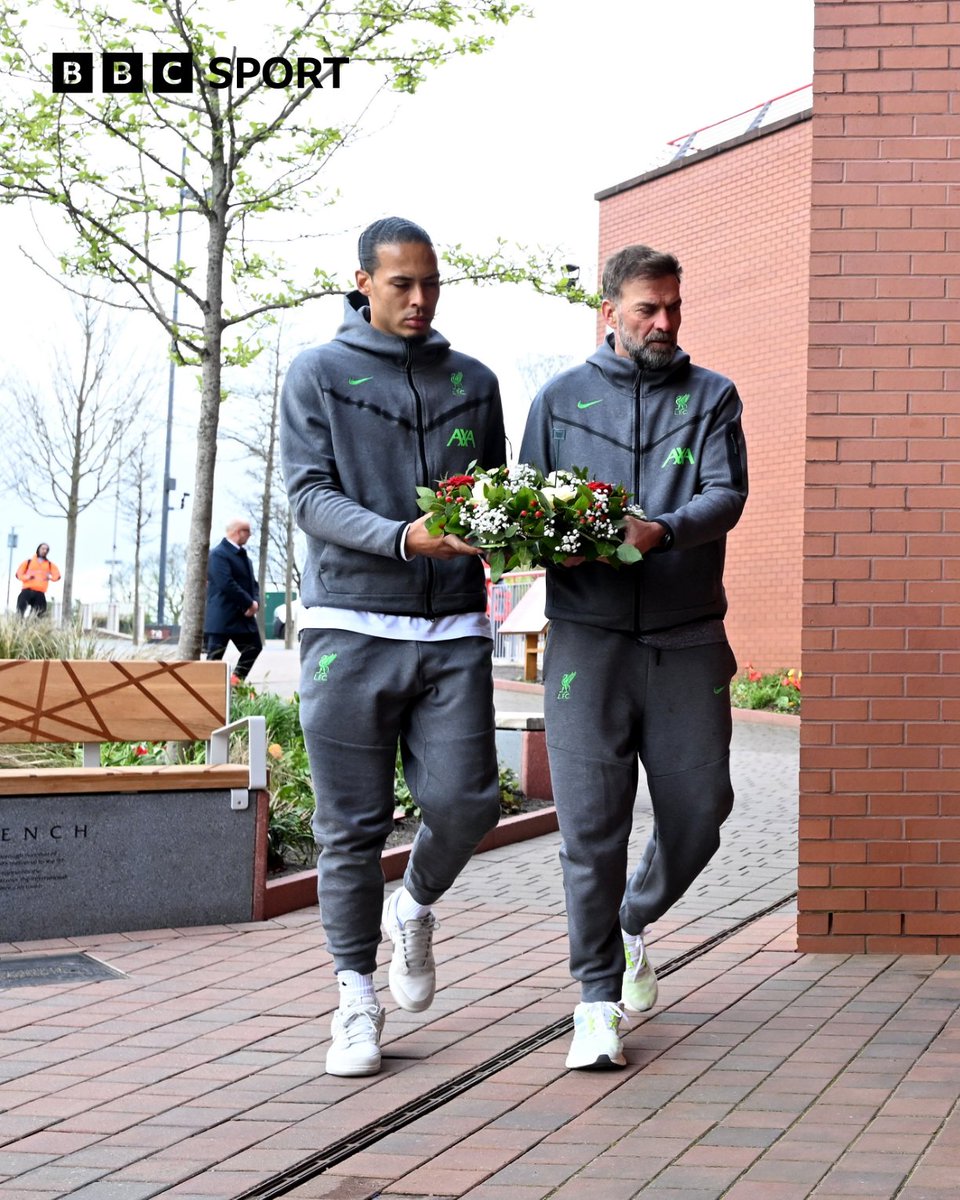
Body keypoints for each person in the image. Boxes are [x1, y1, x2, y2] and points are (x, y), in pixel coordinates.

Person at [280, 216, 506, 1078]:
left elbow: (488, 493)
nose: (419, 300)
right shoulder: (317, 374)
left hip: (451, 626)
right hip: (349, 625)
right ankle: (354, 1000)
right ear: (362, 282)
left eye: (431, 285)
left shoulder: (474, 382)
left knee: (468, 804)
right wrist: (402, 538)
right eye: (402, 284)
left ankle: (413, 906)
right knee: (351, 829)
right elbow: (306, 495)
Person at [519, 243, 748, 1070]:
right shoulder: (559, 399)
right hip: (588, 638)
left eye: (674, 307)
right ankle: (594, 1002)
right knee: (591, 827)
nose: (664, 322)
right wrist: (555, 544)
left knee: (701, 813)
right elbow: (525, 502)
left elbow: (726, 493)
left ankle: (630, 918)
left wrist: (663, 528)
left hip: (688, 638)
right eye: (648, 308)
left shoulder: (712, 395)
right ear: (608, 311)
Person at [203, 518, 262, 681]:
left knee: (254, 647)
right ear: (238, 532)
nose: (250, 535)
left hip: (243, 617)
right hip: (222, 617)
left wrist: (255, 602)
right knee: (214, 659)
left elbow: (253, 584)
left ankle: (235, 683)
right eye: (248, 531)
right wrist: (248, 603)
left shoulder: (244, 557)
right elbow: (226, 583)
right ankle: (210, 693)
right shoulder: (218, 554)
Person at [15, 543, 60, 617]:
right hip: (27, 590)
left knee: (40, 612)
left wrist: (51, 578)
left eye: (46, 549)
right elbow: (18, 574)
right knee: (20, 610)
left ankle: (33, 625)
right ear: (38, 549)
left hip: (40, 592)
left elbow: (57, 575)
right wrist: (27, 577)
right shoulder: (28, 562)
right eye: (43, 549)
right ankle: (18, 624)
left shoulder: (49, 564)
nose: (44, 551)